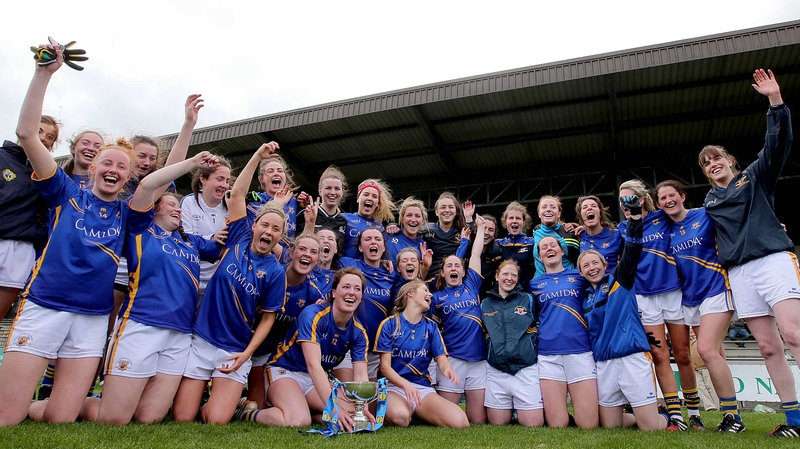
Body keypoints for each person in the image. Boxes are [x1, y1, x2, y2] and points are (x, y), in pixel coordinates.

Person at [0, 46, 157, 427]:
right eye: (107, 162)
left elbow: (153, 182)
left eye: (122, 167)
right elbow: (25, 133)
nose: (114, 169)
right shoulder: (64, 191)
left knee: (60, 418)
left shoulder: (127, 213)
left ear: (126, 179)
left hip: (91, 317)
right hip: (45, 306)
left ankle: (37, 405)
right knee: (6, 418)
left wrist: (190, 156)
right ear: (91, 168)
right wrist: (45, 74)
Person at [79, 153, 223, 425]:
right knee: (115, 419)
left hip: (179, 334)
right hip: (141, 325)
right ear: (154, 208)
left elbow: (228, 242)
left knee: (149, 418)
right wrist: (192, 163)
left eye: (179, 206)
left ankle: (108, 398)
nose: (177, 208)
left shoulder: (191, 241)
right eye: (170, 203)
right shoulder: (140, 230)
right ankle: (67, 402)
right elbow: (146, 187)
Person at [699, 68, 800, 437]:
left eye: (717, 158)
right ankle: (794, 422)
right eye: (707, 163)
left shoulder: (755, 176)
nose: (713, 163)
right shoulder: (709, 203)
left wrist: (775, 102)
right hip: (739, 273)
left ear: (730, 161)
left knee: (794, 335)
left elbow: (777, 145)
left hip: (773, 260)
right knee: (769, 348)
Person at [170, 142, 286, 425]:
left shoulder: (275, 272)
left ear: (281, 236)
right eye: (265, 225)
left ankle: (229, 403)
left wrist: (246, 353)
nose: (268, 231)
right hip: (203, 338)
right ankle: (211, 396)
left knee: (216, 420)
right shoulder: (239, 238)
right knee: (182, 417)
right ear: (254, 225)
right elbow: (238, 193)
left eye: (276, 229)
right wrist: (257, 155)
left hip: (234, 348)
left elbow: (268, 319)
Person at [578, 195, 670, 431]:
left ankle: (665, 416)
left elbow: (632, 247)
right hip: (604, 362)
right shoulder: (585, 296)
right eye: (585, 266)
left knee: (650, 428)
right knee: (611, 426)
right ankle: (642, 414)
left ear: (605, 264)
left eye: (595, 263)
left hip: (632, 357)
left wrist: (636, 217)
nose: (592, 267)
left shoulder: (621, 278)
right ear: (581, 272)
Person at [241, 267, 371, 430]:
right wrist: (334, 407)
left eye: (357, 289)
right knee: (298, 420)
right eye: (346, 287)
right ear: (333, 293)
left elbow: (361, 375)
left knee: (350, 413)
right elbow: (313, 365)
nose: (351, 292)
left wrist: (361, 406)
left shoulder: (359, 332)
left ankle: (315, 414)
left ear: (360, 297)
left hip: (313, 379)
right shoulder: (313, 315)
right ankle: (247, 413)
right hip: (285, 371)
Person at [656, 179, 739, 431]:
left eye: (672, 195)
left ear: (682, 196)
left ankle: (733, 416)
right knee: (715, 354)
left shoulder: (704, 215)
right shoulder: (666, 229)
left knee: (706, 350)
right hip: (689, 298)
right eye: (663, 199)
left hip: (715, 288)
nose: (668, 201)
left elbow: (735, 225)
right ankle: (728, 412)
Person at [618, 179, 695, 429]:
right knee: (660, 355)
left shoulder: (664, 216)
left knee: (683, 354)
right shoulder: (623, 227)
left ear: (641, 199)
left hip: (673, 291)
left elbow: (692, 221)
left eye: (630, 199)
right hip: (645, 296)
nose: (625, 204)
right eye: (622, 201)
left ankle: (694, 412)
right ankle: (675, 415)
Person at [376, 280, 469, 428]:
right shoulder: (389, 324)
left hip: (421, 388)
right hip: (393, 386)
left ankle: (418, 412)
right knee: (401, 418)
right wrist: (405, 385)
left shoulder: (431, 327)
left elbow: (442, 359)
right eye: (425, 290)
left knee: (460, 422)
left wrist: (447, 369)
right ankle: (405, 410)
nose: (430, 294)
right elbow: (385, 368)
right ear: (410, 294)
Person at [247, 234, 324, 409]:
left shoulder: (313, 295)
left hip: (270, 356)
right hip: (243, 344)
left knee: (258, 406)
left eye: (313, 252)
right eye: (302, 249)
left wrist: (323, 309)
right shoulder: (271, 274)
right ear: (291, 252)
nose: (307, 254)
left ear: (317, 260)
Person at [530, 236, 598, 429]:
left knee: (588, 425)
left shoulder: (579, 276)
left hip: (580, 351)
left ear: (562, 251)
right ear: (540, 256)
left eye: (553, 245)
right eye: (544, 247)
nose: (549, 249)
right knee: (557, 425)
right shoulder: (534, 284)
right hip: (548, 355)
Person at [1, 115, 59, 322]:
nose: (43, 138)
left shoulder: (48, 175)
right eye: (39, 131)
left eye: (50, 136)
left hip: (21, 250)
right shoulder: (2, 157)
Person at [430, 215, 488, 424]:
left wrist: (480, 228)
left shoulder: (471, 284)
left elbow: (475, 254)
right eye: (449, 266)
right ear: (443, 273)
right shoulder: (436, 298)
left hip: (478, 359)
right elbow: (433, 331)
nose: (453, 269)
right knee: (449, 418)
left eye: (457, 265)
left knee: (478, 420)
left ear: (463, 271)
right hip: (452, 359)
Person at [481, 260, 544, 427]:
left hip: (525, 368)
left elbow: (539, 324)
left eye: (514, 275)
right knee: (498, 423)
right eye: (505, 274)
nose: (509, 278)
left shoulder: (528, 299)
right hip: (497, 370)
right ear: (497, 276)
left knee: (533, 424)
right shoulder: (485, 303)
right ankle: (513, 409)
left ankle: (524, 409)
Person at [335, 228, 394, 381]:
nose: (373, 242)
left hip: (374, 347)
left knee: (369, 398)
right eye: (367, 239)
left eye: (377, 239)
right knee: (349, 394)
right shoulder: (347, 264)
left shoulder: (392, 274)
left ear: (384, 246)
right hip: (347, 342)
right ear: (360, 248)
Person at [180, 155, 232, 298]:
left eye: (227, 181)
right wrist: (212, 239)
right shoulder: (189, 202)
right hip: (189, 279)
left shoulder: (230, 206)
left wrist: (233, 210)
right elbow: (185, 240)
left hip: (215, 285)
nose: (224, 185)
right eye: (219, 179)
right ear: (203, 179)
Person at [246, 155, 307, 241]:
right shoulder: (254, 200)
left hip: (285, 253)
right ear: (262, 178)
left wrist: (303, 206)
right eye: (270, 171)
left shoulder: (294, 202)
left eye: (280, 171)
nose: (276, 173)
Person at [341, 179, 395, 259]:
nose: (370, 198)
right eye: (366, 194)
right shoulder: (344, 218)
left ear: (377, 203)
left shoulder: (380, 227)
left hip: (368, 270)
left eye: (374, 196)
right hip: (347, 269)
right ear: (358, 198)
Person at [422, 192, 466, 285]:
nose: (447, 210)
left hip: (455, 282)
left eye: (450, 207)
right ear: (436, 211)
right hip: (431, 282)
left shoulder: (463, 231)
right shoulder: (426, 230)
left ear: (456, 211)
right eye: (443, 207)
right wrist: (393, 226)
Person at [296, 165, 348, 241]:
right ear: (320, 191)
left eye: (337, 188)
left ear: (342, 192)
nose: (333, 192)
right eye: (328, 188)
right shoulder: (306, 213)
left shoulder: (344, 222)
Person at [532, 196, 579, 278]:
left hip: (566, 283)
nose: (548, 209)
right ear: (539, 214)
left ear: (559, 213)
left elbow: (578, 262)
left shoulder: (568, 233)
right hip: (540, 285)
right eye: (544, 207)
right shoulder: (536, 230)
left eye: (553, 207)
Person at [575, 195, 622, 272]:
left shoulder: (616, 235)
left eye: (593, 206)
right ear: (581, 215)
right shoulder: (578, 236)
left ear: (600, 214)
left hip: (613, 282)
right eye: (585, 207)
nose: (589, 208)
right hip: (590, 283)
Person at [495, 201, 536, 287]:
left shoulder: (533, 243)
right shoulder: (497, 244)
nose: (514, 221)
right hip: (502, 295)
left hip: (525, 295)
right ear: (505, 222)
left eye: (518, 218)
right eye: (511, 218)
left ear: (524, 222)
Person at [385, 197, 427, 264]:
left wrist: (426, 266)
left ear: (423, 221)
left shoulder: (423, 245)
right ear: (402, 218)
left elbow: (421, 274)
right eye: (409, 215)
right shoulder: (388, 235)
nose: (413, 220)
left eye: (417, 216)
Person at [689, 328, 720, 412]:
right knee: (700, 387)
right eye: (690, 329)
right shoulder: (687, 342)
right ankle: (709, 406)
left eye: (692, 329)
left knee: (710, 386)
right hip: (694, 368)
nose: (691, 331)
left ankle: (716, 406)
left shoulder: (702, 340)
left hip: (705, 367)